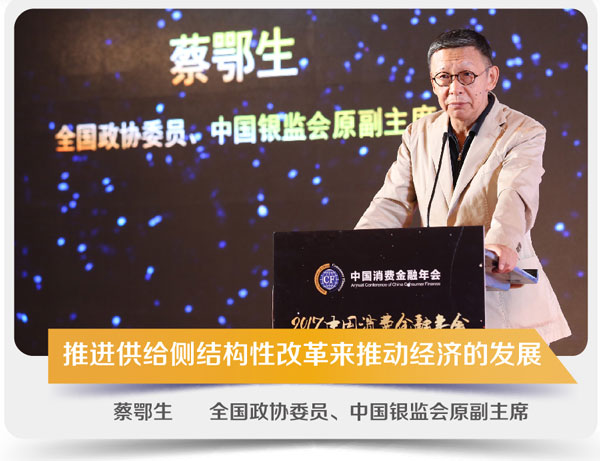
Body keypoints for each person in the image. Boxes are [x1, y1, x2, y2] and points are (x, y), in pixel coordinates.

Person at [355, 29, 571, 344]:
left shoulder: (523, 131)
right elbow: (392, 202)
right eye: (444, 77)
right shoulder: (418, 133)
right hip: (441, 299)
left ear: (491, 77)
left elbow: (515, 192)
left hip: (503, 298)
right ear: (433, 83)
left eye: (467, 76)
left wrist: (500, 243)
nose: (455, 88)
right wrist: (353, 249)